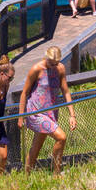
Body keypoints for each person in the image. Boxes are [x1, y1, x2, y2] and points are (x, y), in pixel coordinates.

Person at [18, 46, 76, 174]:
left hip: (51, 112)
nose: (53, 65)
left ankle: (26, 176)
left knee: (36, 147)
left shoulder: (60, 68)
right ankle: (56, 173)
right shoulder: (36, 69)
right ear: (46, 57)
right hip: (36, 112)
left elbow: (65, 91)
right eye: (51, 63)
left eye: (56, 63)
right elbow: (24, 93)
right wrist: (21, 117)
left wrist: (72, 115)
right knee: (61, 137)